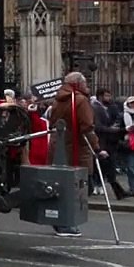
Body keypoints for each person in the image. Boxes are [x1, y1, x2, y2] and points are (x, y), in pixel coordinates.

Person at [46, 71, 104, 236]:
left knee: (61, 186)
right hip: (76, 149)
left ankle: (60, 221)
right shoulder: (79, 100)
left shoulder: (58, 100)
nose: (87, 87)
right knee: (77, 188)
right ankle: (65, 222)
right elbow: (87, 126)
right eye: (85, 83)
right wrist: (97, 147)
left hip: (59, 147)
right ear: (78, 84)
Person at [91, 88, 129, 199]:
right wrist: (114, 130)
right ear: (100, 96)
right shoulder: (95, 108)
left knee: (108, 167)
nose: (109, 98)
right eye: (106, 96)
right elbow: (97, 127)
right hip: (101, 142)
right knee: (104, 167)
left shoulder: (110, 108)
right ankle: (109, 188)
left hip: (109, 142)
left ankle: (117, 190)